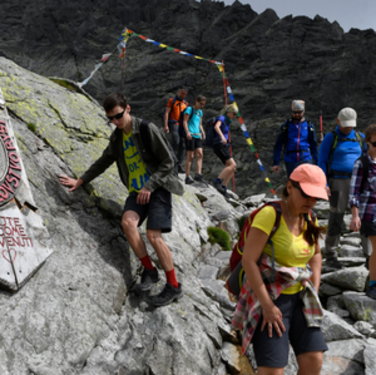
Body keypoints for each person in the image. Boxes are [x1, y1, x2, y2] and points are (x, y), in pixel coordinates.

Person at [59, 93, 185, 307]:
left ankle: (173, 286)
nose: (115, 122)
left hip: (158, 188)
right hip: (137, 191)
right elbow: (104, 160)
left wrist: (150, 185)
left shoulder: (147, 129)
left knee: (154, 236)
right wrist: (80, 180)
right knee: (128, 223)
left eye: (118, 116)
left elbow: (168, 163)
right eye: (111, 119)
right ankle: (150, 271)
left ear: (127, 108)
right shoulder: (117, 138)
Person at [232, 164, 328, 374]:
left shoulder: (309, 217)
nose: (311, 202)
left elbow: (317, 254)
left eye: (316, 198)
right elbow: (249, 260)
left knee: (314, 359)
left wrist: (315, 288)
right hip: (269, 297)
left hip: (300, 297)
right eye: (306, 195)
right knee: (273, 370)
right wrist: (267, 305)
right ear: (290, 187)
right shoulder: (270, 215)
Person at [319, 107, 369, 269]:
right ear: (338, 121)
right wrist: (324, 184)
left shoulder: (360, 138)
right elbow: (321, 161)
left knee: (365, 218)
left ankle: (369, 255)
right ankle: (331, 254)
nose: (348, 128)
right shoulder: (331, 138)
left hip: (360, 181)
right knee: (336, 217)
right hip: (338, 182)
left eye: (351, 125)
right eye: (345, 125)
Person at [349, 124, 376, 299]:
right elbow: (354, 192)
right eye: (375, 143)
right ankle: (373, 285)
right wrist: (355, 216)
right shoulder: (362, 163)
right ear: (367, 142)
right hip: (370, 213)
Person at [273, 100, 318, 177]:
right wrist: (275, 163)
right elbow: (279, 144)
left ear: (303, 111)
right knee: (293, 185)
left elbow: (314, 144)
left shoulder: (309, 125)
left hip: (306, 159)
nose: (297, 114)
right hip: (291, 160)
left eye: (299, 112)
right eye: (295, 112)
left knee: (307, 184)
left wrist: (317, 162)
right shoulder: (286, 125)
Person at [212, 103, 238, 198]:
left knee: (232, 167)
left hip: (223, 145)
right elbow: (216, 127)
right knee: (232, 165)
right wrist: (222, 137)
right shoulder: (222, 118)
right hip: (219, 144)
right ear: (229, 112)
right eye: (234, 114)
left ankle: (224, 187)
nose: (235, 116)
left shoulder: (227, 121)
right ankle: (217, 182)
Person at [163, 86, 188, 172]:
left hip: (183, 125)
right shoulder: (172, 100)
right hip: (174, 123)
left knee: (184, 144)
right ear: (179, 92)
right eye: (182, 93)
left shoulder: (185, 103)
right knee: (176, 141)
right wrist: (166, 125)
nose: (183, 95)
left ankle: (179, 164)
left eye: (185, 94)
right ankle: (172, 161)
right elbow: (167, 113)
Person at [183, 95, 206, 184]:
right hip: (190, 135)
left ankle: (198, 175)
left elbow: (200, 124)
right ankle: (187, 177)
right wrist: (187, 132)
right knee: (191, 156)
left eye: (203, 104)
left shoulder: (200, 112)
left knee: (200, 154)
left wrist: (203, 133)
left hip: (197, 135)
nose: (202, 106)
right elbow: (185, 121)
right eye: (201, 103)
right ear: (196, 101)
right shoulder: (189, 109)